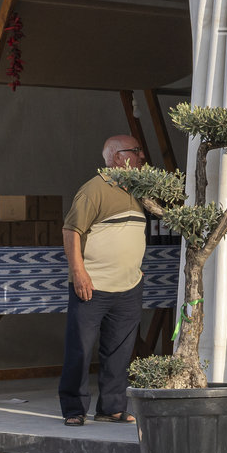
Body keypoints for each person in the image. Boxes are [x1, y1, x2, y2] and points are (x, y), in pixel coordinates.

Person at [59, 135, 148, 426]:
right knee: (80, 349)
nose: (142, 156)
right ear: (116, 157)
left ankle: (111, 407)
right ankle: (74, 408)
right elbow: (71, 231)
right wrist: (79, 273)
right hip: (93, 285)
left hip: (129, 286)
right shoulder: (94, 190)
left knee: (120, 352)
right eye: (135, 152)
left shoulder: (140, 190)